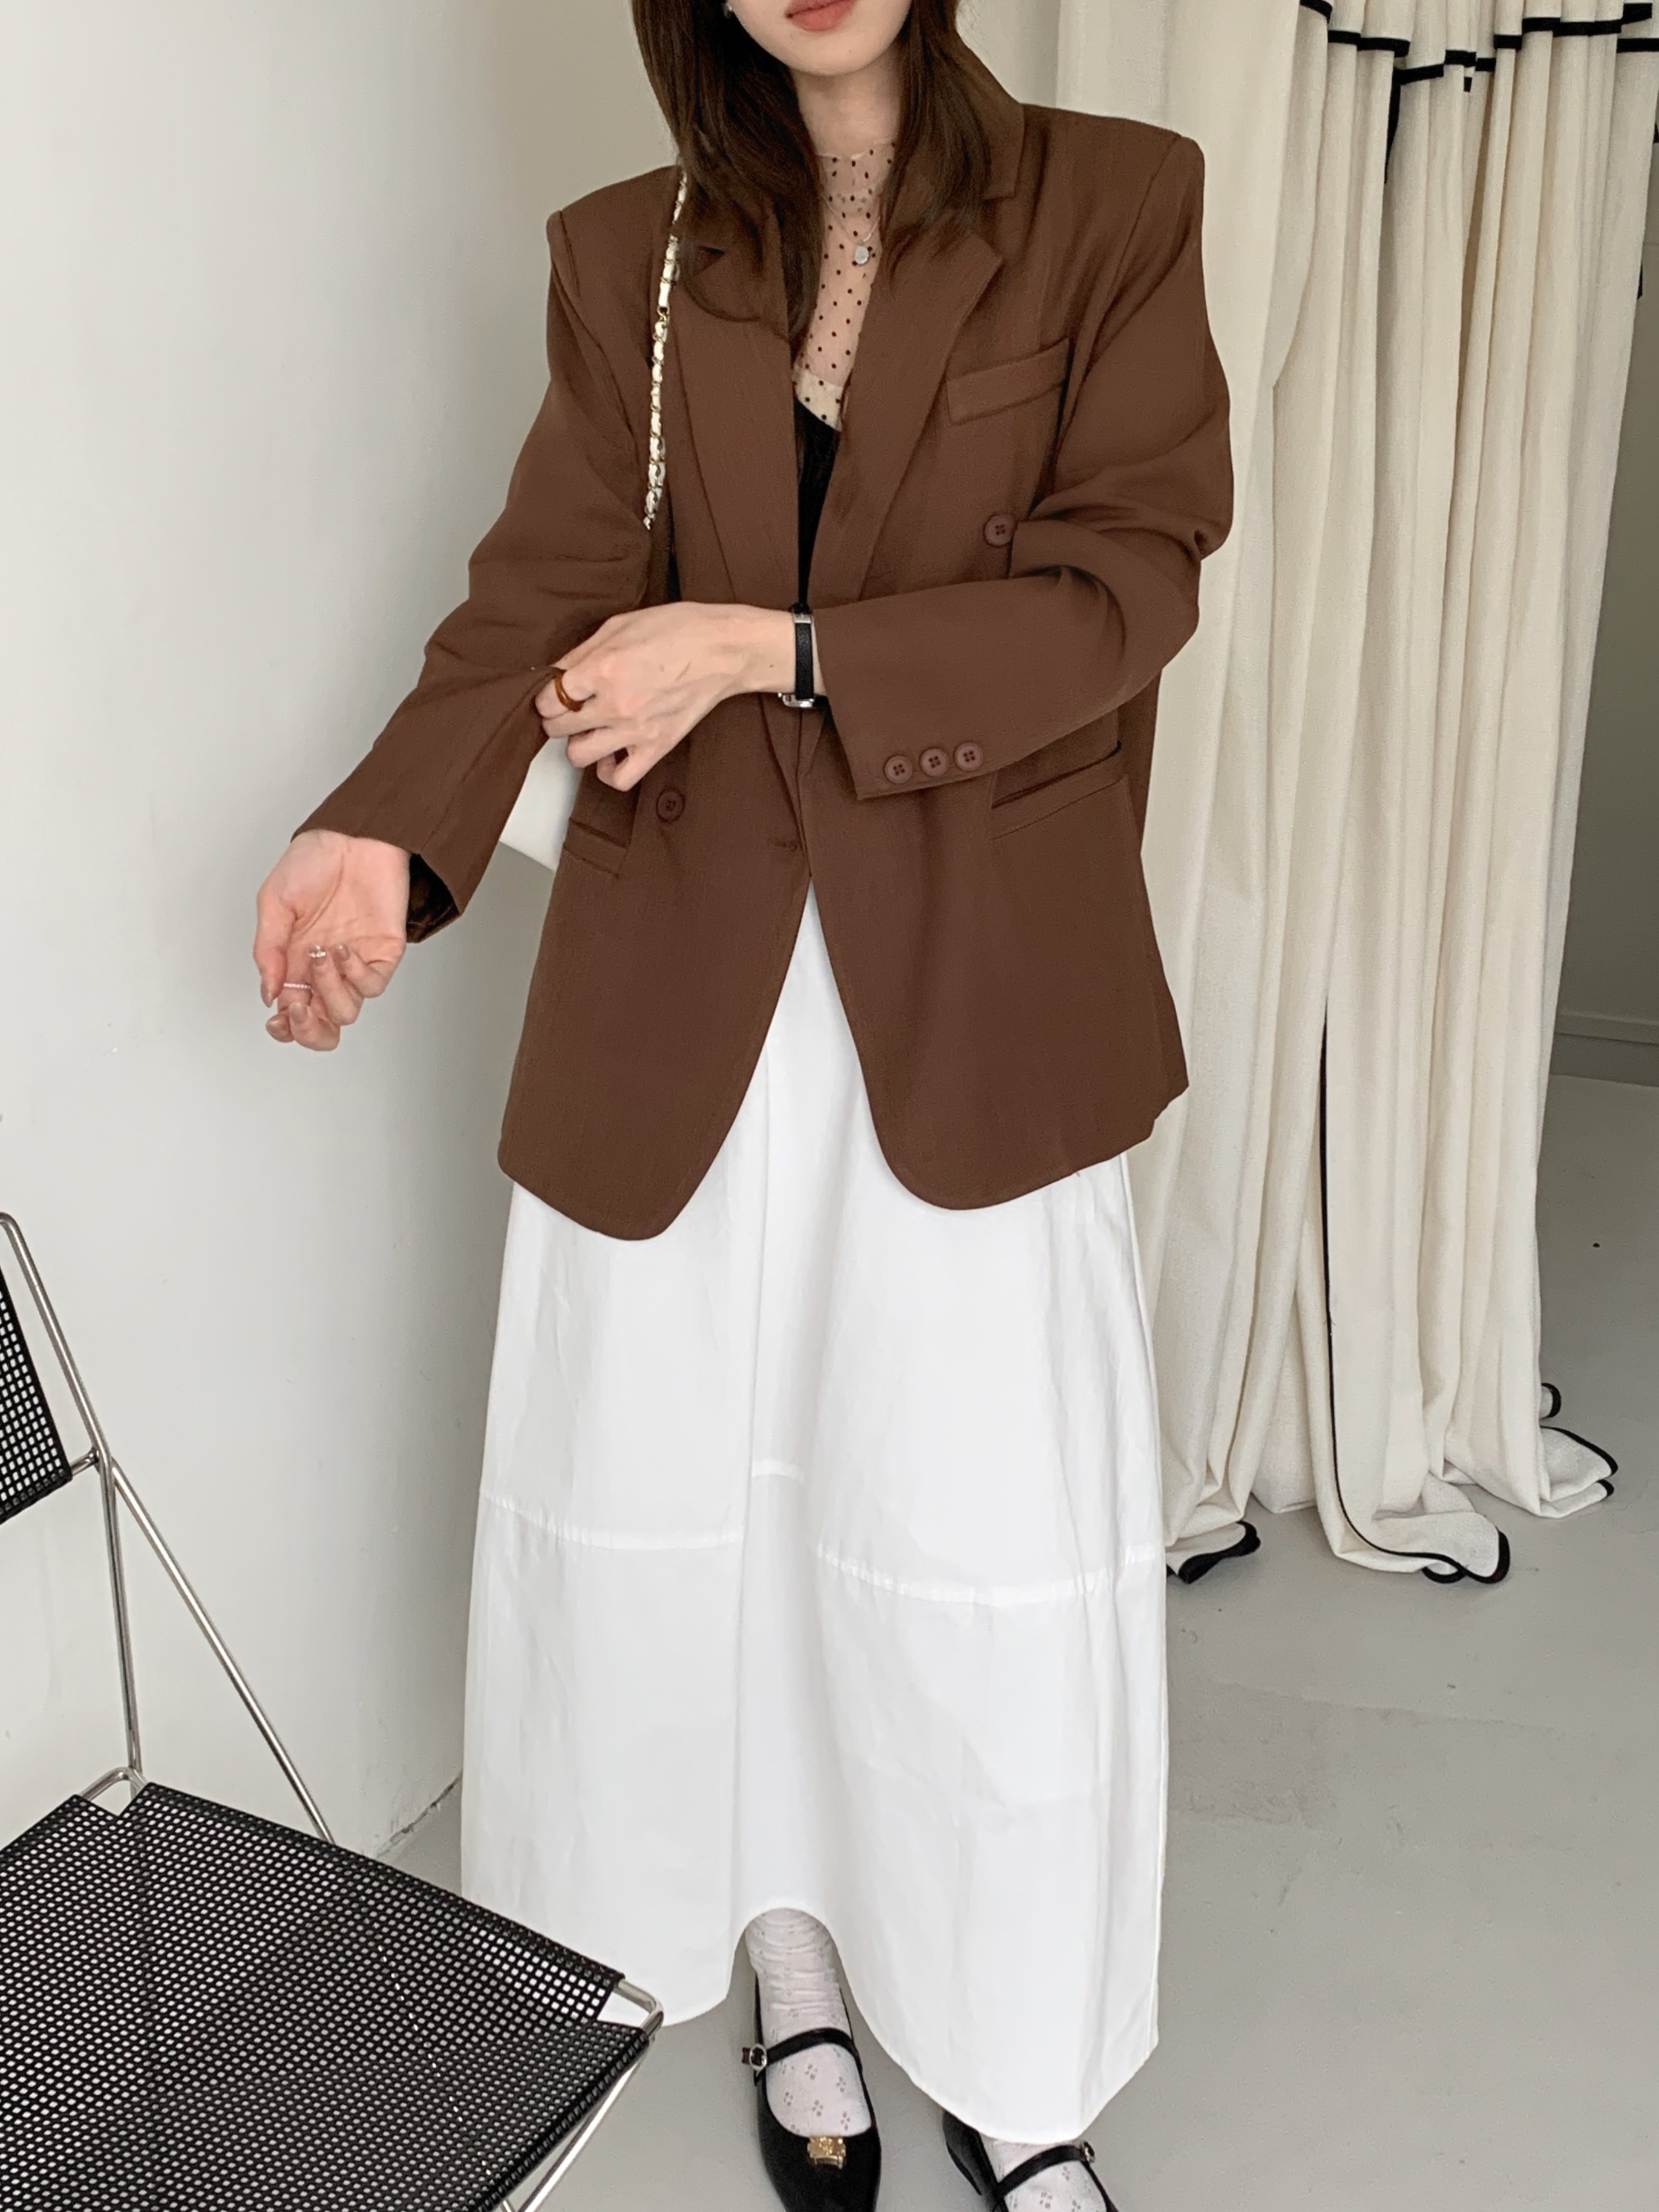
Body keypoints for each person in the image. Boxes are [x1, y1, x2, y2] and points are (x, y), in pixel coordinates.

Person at [254, 1, 1231, 2205]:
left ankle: (1015, 2052)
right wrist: (379, 835)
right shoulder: (631, 245)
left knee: (980, 1531)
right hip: (682, 980)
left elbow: (1127, 586)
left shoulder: (1116, 198)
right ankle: (793, 1958)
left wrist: (767, 649)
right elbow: (541, 587)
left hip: (978, 984)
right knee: (695, 1502)